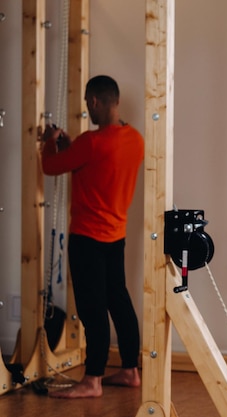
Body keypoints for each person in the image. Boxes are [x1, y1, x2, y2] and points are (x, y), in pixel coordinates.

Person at [40, 75, 144, 398]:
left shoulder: (92, 142)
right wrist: (73, 148)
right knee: (119, 301)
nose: (88, 110)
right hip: (116, 236)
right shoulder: (134, 140)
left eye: (88, 104)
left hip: (87, 239)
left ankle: (93, 380)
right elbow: (96, 168)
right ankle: (130, 369)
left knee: (92, 309)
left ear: (95, 101)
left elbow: (50, 166)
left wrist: (49, 140)